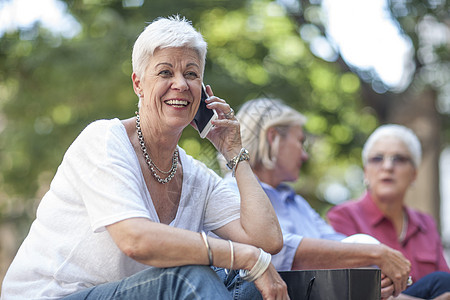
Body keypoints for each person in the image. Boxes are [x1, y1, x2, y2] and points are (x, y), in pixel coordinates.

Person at [1, 16, 289, 300]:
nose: (180, 84)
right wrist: (244, 256)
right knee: (188, 276)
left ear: (202, 91)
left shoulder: (195, 176)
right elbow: (135, 239)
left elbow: (267, 241)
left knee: (249, 284)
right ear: (138, 84)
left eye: (191, 74)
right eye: (165, 72)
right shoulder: (103, 140)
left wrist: (234, 153)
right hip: (53, 295)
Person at [220, 97, 412, 299]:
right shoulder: (230, 193)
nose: (305, 156)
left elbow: (342, 245)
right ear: (273, 137)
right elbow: (274, 250)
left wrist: (375, 260)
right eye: (300, 142)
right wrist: (376, 254)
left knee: (437, 284)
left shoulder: (296, 202)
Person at [327, 124, 450, 299]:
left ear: (414, 174)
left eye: (399, 159)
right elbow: (349, 289)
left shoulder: (426, 223)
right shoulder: (343, 216)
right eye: (377, 158)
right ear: (365, 172)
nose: (388, 167)